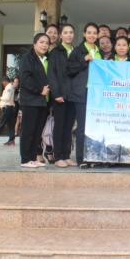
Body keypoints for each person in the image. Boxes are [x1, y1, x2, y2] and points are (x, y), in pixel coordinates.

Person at [67, 23, 101, 167]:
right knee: (82, 127)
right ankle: (81, 159)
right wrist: (84, 60)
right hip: (82, 93)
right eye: (89, 32)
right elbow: (69, 70)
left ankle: (94, 157)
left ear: (98, 35)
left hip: (97, 94)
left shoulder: (99, 51)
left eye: (94, 33)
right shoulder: (77, 51)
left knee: (95, 127)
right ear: (84, 34)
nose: (92, 35)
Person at [18, 33, 51, 168]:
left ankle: (33, 158)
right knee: (28, 131)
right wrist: (39, 90)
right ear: (34, 44)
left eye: (47, 43)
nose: (44, 45)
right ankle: (25, 159)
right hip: (30, 101)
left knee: (37, 132)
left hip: (42, 102)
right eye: (41, 42)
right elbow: (25, 79)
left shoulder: (45, 59)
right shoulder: (27, 58)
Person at [48, 24, 76, 168]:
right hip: (60, 95)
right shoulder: (55, 52)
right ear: (61, 35)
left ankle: (66, 155)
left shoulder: (76, 51)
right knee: (59, 126)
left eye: (71, 32)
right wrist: (56, 93)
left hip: (73, 95)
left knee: (69, 127)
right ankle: (58, 156)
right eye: (66, 32)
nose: (69, 35)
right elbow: (51, 74)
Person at [12, 77, 20, 141]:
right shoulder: (11, 89)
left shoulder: (19, 90)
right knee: (13, 120)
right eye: (15, 82)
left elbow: (18, 99)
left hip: (18, 106)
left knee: (18, 120)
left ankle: (15, 132)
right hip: (12, 106)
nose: (16, 83)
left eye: (17, 82)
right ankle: (14, 133)